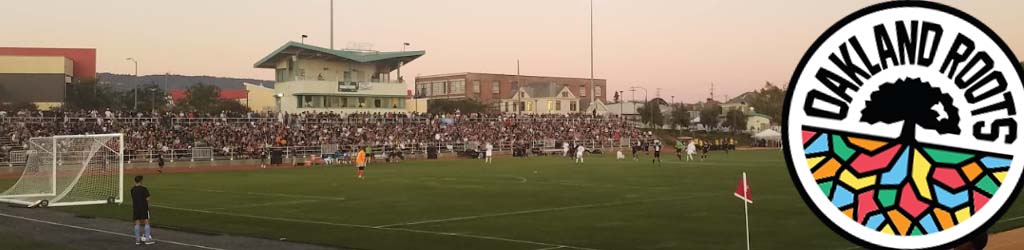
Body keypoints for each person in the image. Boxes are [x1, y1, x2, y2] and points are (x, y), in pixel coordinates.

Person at [131, 176, 155, 245]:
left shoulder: (132, 189)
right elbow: (148, 199)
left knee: (137, 222)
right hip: (144, 207)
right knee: (146, 222)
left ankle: (137, 240)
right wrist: (149, 206)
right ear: (141, 181)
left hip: (136, 208)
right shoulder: (144, 189)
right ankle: (147, 240)